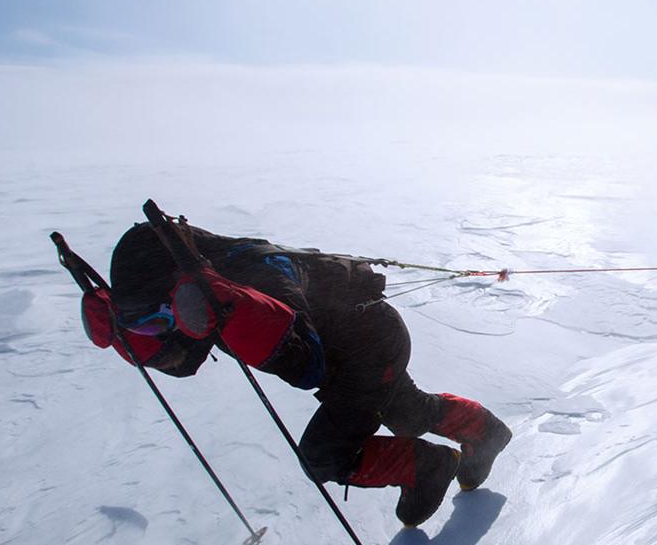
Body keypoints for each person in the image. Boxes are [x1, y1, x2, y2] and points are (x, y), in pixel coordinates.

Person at [85, 220, 511, 528]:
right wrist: (138, 341)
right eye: (142, 323)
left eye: (157, 320)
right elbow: (187, 357)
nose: (160, 329)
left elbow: (309, 366)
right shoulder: (197, 288)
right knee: (407, 411)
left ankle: (428, 465)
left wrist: (239, 316)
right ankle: (483, 433)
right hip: (361, 345)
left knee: (326, 454)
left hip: (365, 348)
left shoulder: (247, 283)